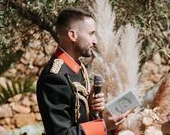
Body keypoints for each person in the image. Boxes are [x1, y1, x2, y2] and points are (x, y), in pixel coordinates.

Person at [37, 7, 128, 135]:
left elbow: (79, 119)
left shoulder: (78, 67)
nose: (95, 41)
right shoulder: (54, 78)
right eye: (91, 34)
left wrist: (91, 107)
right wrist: (103, 125)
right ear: (73, 35)